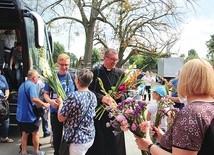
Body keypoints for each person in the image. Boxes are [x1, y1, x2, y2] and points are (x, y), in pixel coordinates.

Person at [135, 58, 214, 155]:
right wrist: (163, 138)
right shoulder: (209, 107)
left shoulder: (192, 113)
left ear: (185, 80)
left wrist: (148, 146)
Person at [86, 48, 126, 155]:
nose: (114, 62)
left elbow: (125, 92)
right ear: (104, 58)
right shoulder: (95, 72)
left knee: (115, 145)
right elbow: (88, 91)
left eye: (116, 60)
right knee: (100, 144)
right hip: (99, 116)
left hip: (115, 114)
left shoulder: (120, 73)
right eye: (112, 59)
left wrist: (120, 95)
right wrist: (101, 98)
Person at [57, 68, 97, 155]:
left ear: (77, 80)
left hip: (77, 140)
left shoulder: (74, 96)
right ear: (90, 82)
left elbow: (61, 118)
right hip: (89, 136)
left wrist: (60, 104)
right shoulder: (93, 96)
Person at [43, 53, 75, 155]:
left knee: (69, 138)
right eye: (62, 64)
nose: (64, 67)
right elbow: (46, 94)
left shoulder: (73, 77)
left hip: (70, 113)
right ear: (57, 64)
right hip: (55, 113)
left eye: (67, 65)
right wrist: (51, 102)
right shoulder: (52, 77)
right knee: (57, 138)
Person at [16, 69, 49, 155]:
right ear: (34, 77)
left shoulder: (22, 85)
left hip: (21, 115)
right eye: (37, 77)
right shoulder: (32, 86)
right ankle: (37, 151)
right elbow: (34, 98)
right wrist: (44, 104)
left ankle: (24, 152)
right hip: (30, 116)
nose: (38, 79)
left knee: (24, 133)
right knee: (35, 133)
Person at [0, 68, 13, 143]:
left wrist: (6, 95)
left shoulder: (2, 77)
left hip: (2, 101)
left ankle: (4, 137)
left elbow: (7, 88)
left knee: (5, 119)